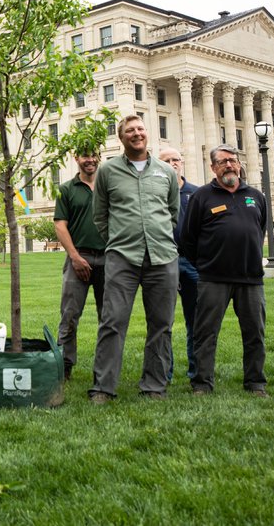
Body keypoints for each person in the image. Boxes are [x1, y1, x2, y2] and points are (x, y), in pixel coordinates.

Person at [88, 114, 180, 404]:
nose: (136, 134)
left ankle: (154, 386)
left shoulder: (165, 172)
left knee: (161, 324)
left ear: (147, 134)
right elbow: (100, 215)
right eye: (130, 130)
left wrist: (158, 235)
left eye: (140, 128)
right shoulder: (108, 171)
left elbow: (172, 212)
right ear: (121, 137)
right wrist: (118, 239)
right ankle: (103, 387)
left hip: (162, 258)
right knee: (112, 321)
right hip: (122, 259)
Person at [180, 144, 269, 397]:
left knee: (255, 334)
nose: (229, 165)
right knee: (205, 333)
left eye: (232, 160)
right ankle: (202, 384)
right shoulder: (202, 197)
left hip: (251, 280)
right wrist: (205, 263)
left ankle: (255, 383)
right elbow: (188, 238)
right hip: (213, 279)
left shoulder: (256, 196)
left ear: (239, 164)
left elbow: (259, 230)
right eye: (222, 162)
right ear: (213, 167)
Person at [52, 147, 105, 381]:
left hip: (109, 259)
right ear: (76, 159)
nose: (90, 160)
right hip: (78, 257)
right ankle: (63, 366)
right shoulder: (66, 190)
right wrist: (74, 256)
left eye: (94, 155)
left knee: (109, 316)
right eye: (85, 156)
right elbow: (60, 225)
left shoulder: (108, 187)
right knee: (70, 315)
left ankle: (104, 368)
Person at [158, 146, 199, 383]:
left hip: (191, 263)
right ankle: (165, 372)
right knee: (163, 321)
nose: (173, 163)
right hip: (164, 261)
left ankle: (197, 373)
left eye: (176, 159)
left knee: (196, 321)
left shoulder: (197, 193)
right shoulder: (155, 193)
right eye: (167, 160)